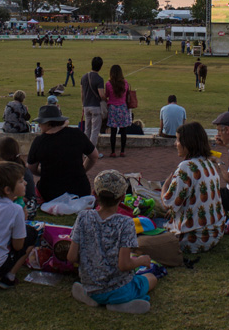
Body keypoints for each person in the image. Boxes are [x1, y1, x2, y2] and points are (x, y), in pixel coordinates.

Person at [69, 170, 162, 314]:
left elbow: (71, 257)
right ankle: (121, 303)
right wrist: (141, 261)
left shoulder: (83, 217)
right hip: (120, 290)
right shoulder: (126, 223)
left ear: (94, 193)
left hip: (91, 286)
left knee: (97, 290)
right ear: (123, 197)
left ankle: (91, 297)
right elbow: (124, 264)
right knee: (151, 278)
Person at [161, 122, 226, 253]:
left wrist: (165, 186)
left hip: (193, 238)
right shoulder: (209, 163)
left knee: (150, 225)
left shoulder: (186, 167)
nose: (175, 144)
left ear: (188, 143)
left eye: (178, 140)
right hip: (215, 233)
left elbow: (168, 204)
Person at [26, 105, 99, 202]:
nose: (39, 125)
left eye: (40, 122)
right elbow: (94, 156)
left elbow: (31, 168)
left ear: (47, 123)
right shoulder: (76, 134)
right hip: (80, 190)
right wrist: (83, 169)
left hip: (50, 193)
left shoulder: (39, 141)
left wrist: (45, 173)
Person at [104, 64, 132, 157]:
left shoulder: (108, 84)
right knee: (123, 130)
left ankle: (113, 151)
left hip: (113, 108)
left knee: (113, 131)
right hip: (123, 108)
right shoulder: (125, 83)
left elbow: (106, 95)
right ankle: (122, 150)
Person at [80, 56, 106, 150]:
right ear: (100, 66)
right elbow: (101, 95)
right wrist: (106, 98)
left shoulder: (84, 77)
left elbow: (82, 93)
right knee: (95, 131)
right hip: (95, 106)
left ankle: (85, 150)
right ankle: (92, 152)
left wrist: (83, 105)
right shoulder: (99, 79)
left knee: (87, 129)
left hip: (86, 105)